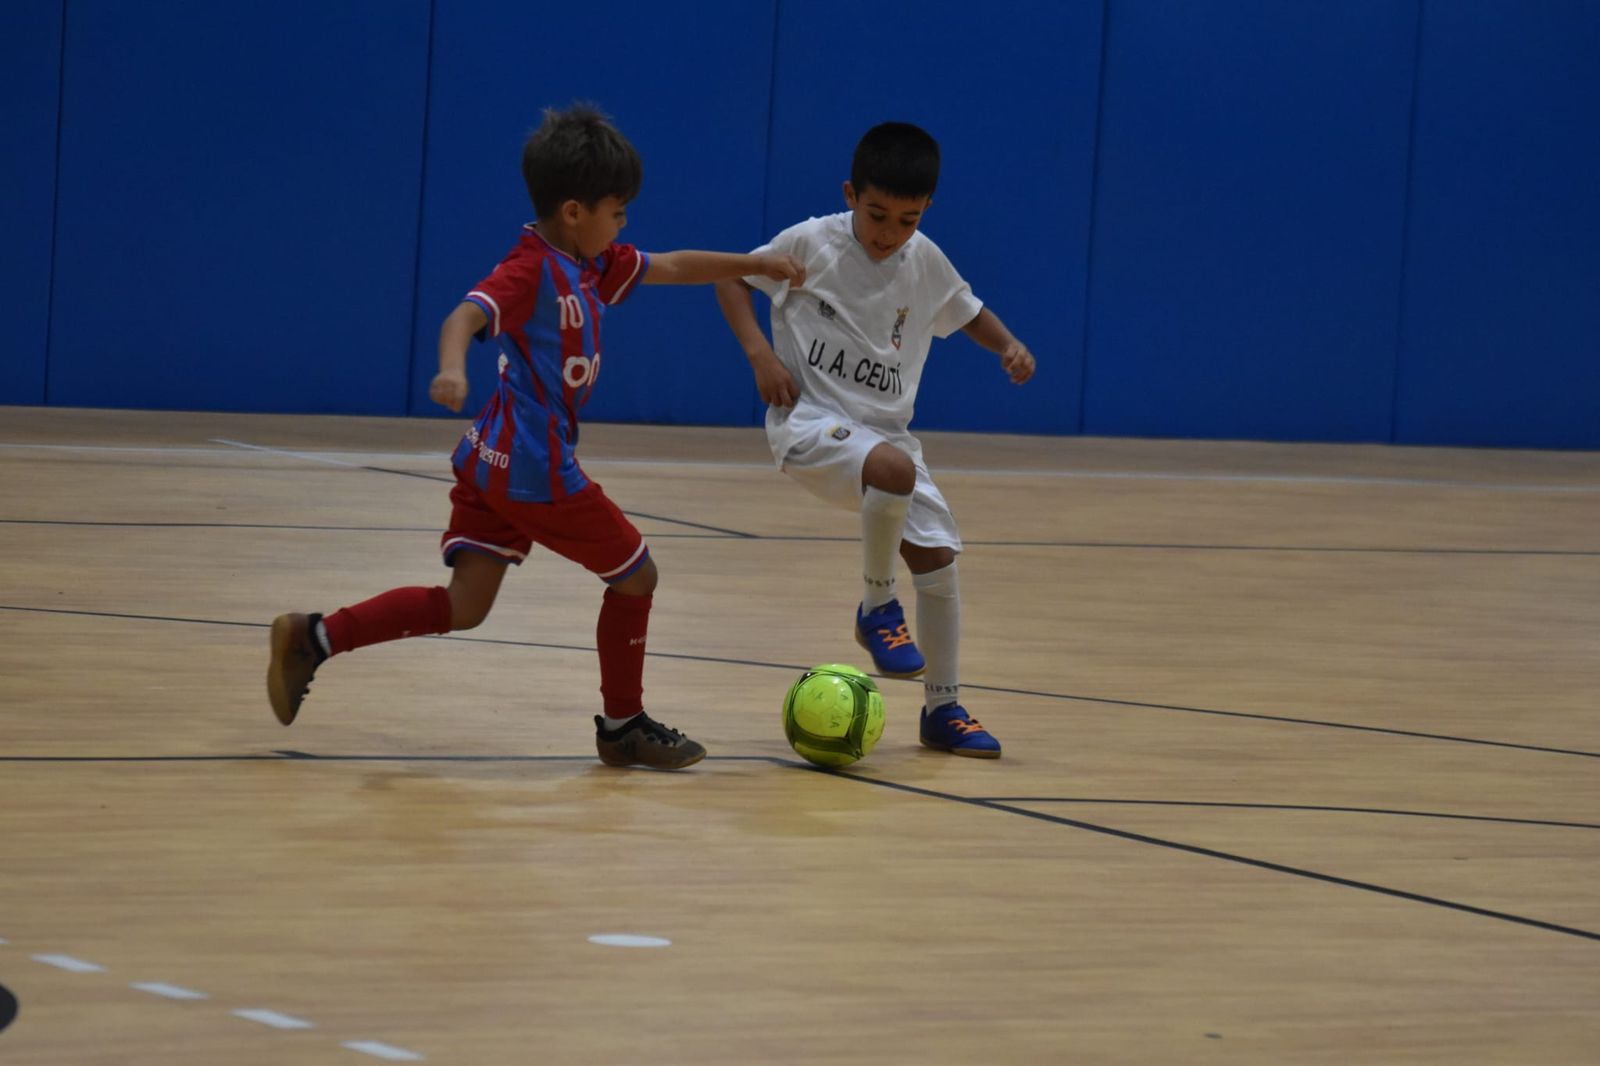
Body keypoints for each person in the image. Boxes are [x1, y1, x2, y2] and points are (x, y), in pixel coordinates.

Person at [266, 104, 804, 770]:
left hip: (492, 460)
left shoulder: (592, 262)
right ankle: (623, 724)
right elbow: (463, 316)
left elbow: (670, 265)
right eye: (619, 211)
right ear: (575, 212)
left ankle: (313, 637)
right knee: (638, 576)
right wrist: (450, 370)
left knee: (465, 607)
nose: (625, 225)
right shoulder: (529, 270)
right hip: (532, 465)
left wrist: (757, 263)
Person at [714, 121, 1034, 759]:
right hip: (808, 423)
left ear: (927, 212)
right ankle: (876, 608)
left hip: (887, 436)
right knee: (890, 470)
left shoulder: (926, 260)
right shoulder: (810, 242)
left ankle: (943, 708)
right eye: (876, 214)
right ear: (850, 195)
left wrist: (1009, 346)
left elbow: (967, 310)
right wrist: (759, 357)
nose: (889, 234)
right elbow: (731, 278)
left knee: (939, 562)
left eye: (907, 220)